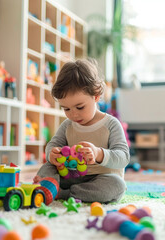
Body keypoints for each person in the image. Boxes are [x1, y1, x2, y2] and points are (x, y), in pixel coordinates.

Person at [33, 59, 130, 203]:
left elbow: (123, 157)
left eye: (79, 107)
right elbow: (52, 145)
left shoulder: (111, 124)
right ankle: (51, 188)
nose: (73, 114)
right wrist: (52, 153)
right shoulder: (67, 125)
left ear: (96, 96)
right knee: (47, 167)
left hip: (102, 179)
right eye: (66, 109)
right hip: (70, 176)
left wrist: (98, 154)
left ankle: (61, 193)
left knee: (118, 185)